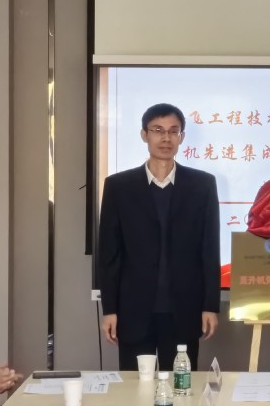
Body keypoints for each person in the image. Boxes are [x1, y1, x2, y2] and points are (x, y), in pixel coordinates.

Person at [98, 103, 220, 371]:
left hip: (184, 309)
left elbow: (210, 250)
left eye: (173, 131)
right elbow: (109, 254)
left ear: (181, 137)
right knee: (133, 386)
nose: (166, 138)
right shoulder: (119, 186)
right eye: (158, 130)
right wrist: (109, 309)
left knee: (181, 386)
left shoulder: (202, 185)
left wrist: (210, 305)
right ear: (144, 135)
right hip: (133, 309)